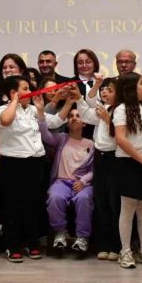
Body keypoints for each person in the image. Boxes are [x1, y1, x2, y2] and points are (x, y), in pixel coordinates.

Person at [0, 75, 68, 263]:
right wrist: (15, 101)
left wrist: (69, 103)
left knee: (33, 205)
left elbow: (55, 122)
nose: (30, 92)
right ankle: (11, 245)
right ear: (13, 92)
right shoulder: (0, 111)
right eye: (25, 88)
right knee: (12, 206)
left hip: (35, 162)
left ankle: (31, 242)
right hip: (13, 163)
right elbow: (6, 121)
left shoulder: (33, 109)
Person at [111, 73, 142, 269]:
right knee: (128, 207)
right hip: (130, 163)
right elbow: (120, 139)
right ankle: (125, 250)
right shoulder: (121, 110)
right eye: (141, 83)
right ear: (131, 88)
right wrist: (141, 158)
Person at [77, 76, 121, 261]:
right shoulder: (102, 109)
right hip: (100, 158)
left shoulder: (121, 110)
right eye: (103, 89)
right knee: (101, 201)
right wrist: (78, 98)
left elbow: (122, 135)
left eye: (109, 90)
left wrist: (108, 119)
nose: (104, 92)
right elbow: (86, 114)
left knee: (114, 203)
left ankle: (116, 246)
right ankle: (103, 244)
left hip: (115, 158)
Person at [42, 106, 95, 255]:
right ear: (66, 121)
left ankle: (82, 238)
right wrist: (40, 112)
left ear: (84, 122)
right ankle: (60, 233)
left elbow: (95, 169)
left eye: (78, 116)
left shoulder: (91, 144)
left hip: (83, 184)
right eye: (71, 116)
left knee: (84, 199)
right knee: (54, 196)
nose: (74, 118)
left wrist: (84, 181)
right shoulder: (61, 139)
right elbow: (44, 134)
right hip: (62, 181)